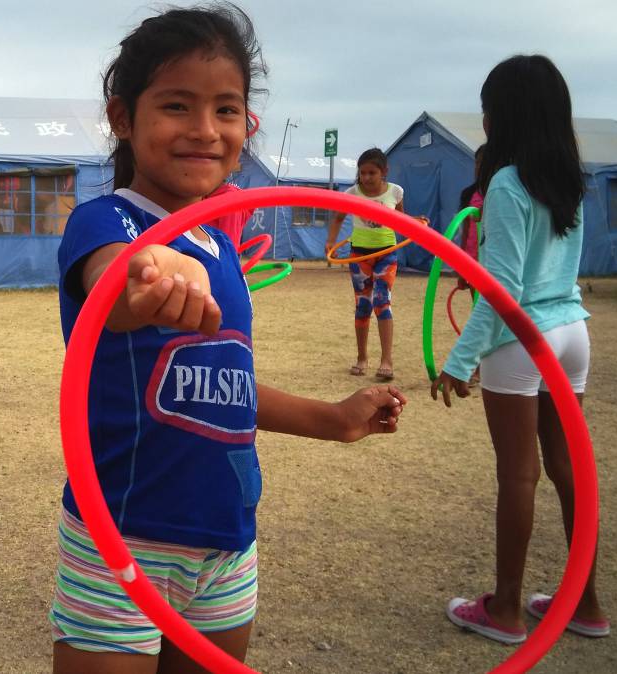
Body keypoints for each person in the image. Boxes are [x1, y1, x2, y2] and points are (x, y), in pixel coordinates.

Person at [50, 6, 407, 671]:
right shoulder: (105, 222)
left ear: (248, 123)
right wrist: (146, 271)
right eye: (177, 106)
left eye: (226, 110)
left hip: (228, 543)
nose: (205, 131)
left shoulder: (222, 247)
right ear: (123, 117)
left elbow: (225, 389)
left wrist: (333, 419)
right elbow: (115, 288)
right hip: (122, 540)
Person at [432, 54, 609, 645]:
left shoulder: (506, 183)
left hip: (522, 340)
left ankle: (505, 608)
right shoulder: (567, 179)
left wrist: (460, 362)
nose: (483, 116)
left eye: (488, 106)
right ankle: (584, 603)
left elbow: (503, 290)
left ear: (503, 114)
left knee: (519, 474)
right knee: (568, 469)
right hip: (570, 333)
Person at [325, 148, 416, 381]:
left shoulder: (396, 192)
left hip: (386, 255)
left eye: (371, 173)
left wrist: (417, 225)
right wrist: (331, 241)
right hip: (360, 255)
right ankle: (361, 357)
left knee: (381, 302)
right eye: (362, 172)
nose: (366, 177)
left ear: (384, 171)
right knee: (363, 306)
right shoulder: (352, 193)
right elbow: (338, 218)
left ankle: (387, 360)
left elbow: (402, 221)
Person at [456, 144, 486, 298]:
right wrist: (462, 270)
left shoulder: (503, 194)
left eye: (485, 162)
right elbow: (465, 233)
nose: (480, 167)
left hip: (493, 262)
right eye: (478, 162)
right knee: (477, 306)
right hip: (474, 261)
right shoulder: (469, 194)